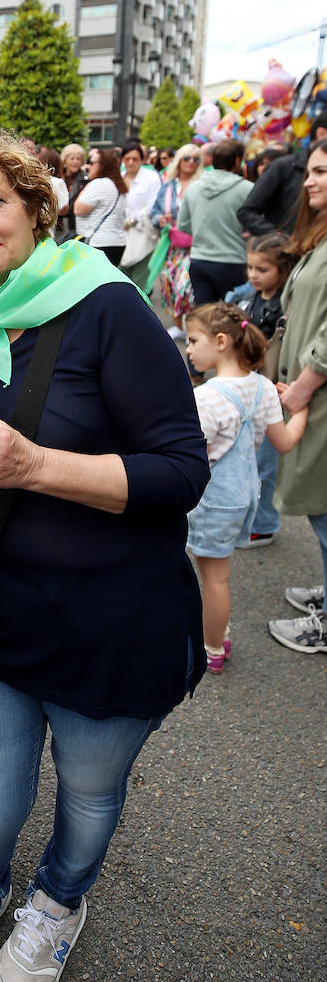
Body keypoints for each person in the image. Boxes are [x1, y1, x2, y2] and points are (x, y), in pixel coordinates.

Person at [0, 130, 209, 982]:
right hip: (1, 625)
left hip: (114, 625)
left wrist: (33, 466)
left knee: (87, 797)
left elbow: (181, 471)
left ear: (40, 207)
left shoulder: (106, 307)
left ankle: (57, 903)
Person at [184, 302, 307, 672]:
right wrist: (299, 411)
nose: (188, 349)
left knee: (208, 579)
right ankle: (215, 634)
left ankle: (211, 647)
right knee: (219, 575)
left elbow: (193, 457)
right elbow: (283, 442)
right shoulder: (265, 387)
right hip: (243, 497)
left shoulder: (207, 397)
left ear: (221, 341)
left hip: (211, 499)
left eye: (193, 340)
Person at [266, 137, 327, 655]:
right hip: (308, 387)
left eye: (322, 172)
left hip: (317, 391)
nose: (309, 181)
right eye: (310, 172)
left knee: (326, 509)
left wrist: (304, 385)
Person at [228, 232, 297, 547]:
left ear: (283, 271)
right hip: (252, 387)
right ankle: (253, 515)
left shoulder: (287, 306)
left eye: (262, 270)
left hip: (272, 392)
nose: (253, 275)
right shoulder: (249, 294)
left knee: (265, 464)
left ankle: (265, 523)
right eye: (250, 268)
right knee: (250, 456)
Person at [177, 139, 253, 306]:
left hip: (199, 260)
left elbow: (182, 225)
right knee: (232, 317)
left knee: (204, 318)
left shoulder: (194, 188)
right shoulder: (248, 189)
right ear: (238, 160)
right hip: (234, 260)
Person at [148, 143, 202, 339]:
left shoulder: (201, 185)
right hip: (171, 245)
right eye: (187, 158)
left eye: (196, 159)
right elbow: (154, 210)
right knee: (169, 285)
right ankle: (180, 326)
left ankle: (191, 327)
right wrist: (159, 219)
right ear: (179, 161)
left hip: (195, 246)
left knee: (186, 287)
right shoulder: (169, 186)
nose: (191, 163)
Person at [237, 120, 327, 236]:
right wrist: (277, 237)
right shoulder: (284, 167)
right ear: (322, 133)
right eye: (316, 172)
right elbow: (247, 212)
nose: (308, 183)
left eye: (320, 172)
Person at [73, 145, 127, 263]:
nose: (89, 167)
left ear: (103, 165)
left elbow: (78, 209)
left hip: (98, 243)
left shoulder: (99, 184)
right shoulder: (118, 185)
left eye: (92, 163)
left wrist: (87, 183)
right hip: (118, 243)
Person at [118, 141, 161, 288]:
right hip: (120, 235)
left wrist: (132, 222)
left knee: (138, 281)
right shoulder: (118, 177)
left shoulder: (151, 178)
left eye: (135, 159)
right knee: (121, 280)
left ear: (142, 160)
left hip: (142, 233)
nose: (131, 162)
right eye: (127, 158)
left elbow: (153, 204)